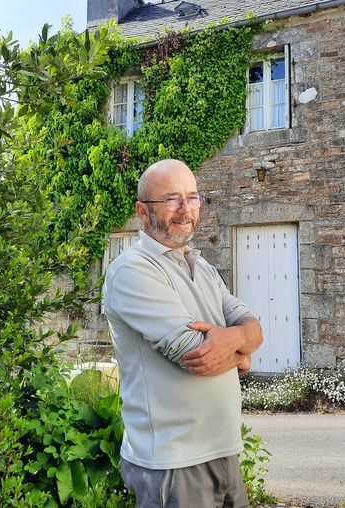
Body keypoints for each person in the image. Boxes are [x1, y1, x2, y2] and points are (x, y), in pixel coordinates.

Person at [103, 159, 264, 508]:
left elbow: (252, 325)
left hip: (224, 450)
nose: (185, 209)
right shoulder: (132, 271)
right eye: (172, 199)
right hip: (171, 463)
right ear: (142, 211)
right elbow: (196, 355)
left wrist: (235, 340)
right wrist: (242, 346)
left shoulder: (200, 264)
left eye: (193, 198)